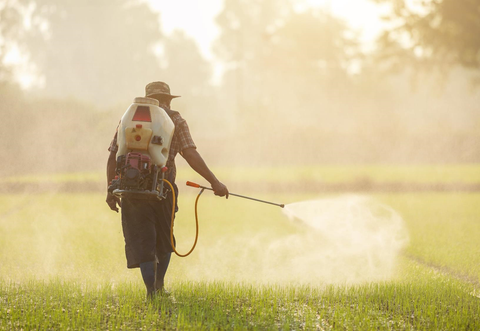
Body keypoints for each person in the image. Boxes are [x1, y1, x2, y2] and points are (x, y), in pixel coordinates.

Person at [106, 81, 228, 298]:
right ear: (167, 100)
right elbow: (190, 154)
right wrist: (215, 182)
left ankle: (150, 291)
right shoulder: (176, 120)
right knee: (164, 240)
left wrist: (110, 190)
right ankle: (159, 286)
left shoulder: (129, 119)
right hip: (164, 188)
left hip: (131, 190)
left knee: (143, 241)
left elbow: (113, 157)